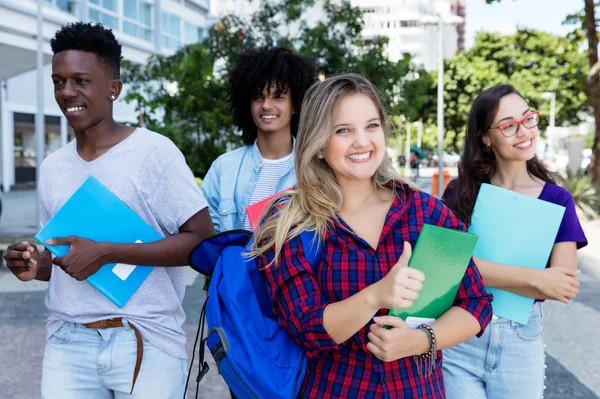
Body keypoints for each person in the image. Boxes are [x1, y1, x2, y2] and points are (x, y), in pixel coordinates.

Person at [3, 22, 215, 398]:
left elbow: (202, 242)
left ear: (113, 89)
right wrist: (34, 264)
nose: (67, 92)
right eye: (58, 81)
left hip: (146, 341)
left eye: (81, 81)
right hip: (68, 343)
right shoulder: (53, 167)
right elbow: (65, 259)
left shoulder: (154, 152)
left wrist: (108, 252)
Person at [251, 74, 493, 398]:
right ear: (319, 144)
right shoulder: (288, 221)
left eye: (372, 126)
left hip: (418, 390)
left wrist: (420, 340)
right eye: (343, 130)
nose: (362, 142)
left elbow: (476, 303)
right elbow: (308, 328)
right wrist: (376, 296)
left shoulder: (426, 213)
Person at [442, 84, 588, 399]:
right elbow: (447, 265)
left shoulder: (557, 198)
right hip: (459, 333)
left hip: (519, 341)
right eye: (509, 126)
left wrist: (476, 269)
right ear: (485, 137)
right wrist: (536, 277)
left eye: (528, 119)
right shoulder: (460, 193)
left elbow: (562, 287)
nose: (524, 132)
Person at [201, 47, 316, 233]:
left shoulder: (313, 168)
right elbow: (206, 237)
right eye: (258, 97)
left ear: (295, 104)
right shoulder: (224, 168)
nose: (266, 105)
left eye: (278, 97)